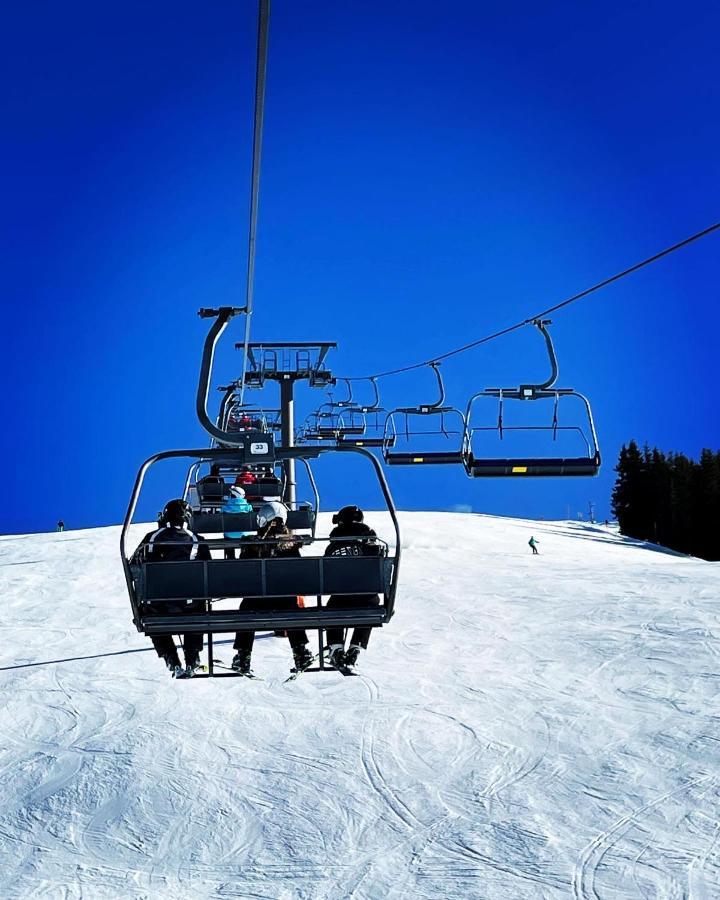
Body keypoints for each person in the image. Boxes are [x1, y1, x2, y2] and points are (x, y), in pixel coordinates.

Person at [231, 501, 313, 676]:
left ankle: (243, 656)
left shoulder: (252, 544)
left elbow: (242, 571)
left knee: (245, 608)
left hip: (257, 601)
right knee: (293, 606)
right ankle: (300, 652)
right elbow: (299, 572)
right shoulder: (291, 545)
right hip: (285, 601)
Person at [132, 498, 210, 678]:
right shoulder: (196, 540)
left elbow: (135, 564)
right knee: (196, 610)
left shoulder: (151, 538)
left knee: (151, 615)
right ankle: (193, 658)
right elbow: (208, 568)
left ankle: (171, 658)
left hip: (156, 605)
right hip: (188, 605)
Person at [324, 505, 383, 670]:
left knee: (333, 608)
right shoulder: (369, 542)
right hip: (366, 597)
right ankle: (356, 646)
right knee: (372, 604)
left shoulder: (333, 543)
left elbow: (326, 571)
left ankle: (336, 646)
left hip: (341, 596)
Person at [222, 484, 254, 559]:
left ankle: (230, 557)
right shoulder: (248, 507)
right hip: (244, 534)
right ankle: (243, 555)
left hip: (229, 535)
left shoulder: (225, 507)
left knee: (228, 535)